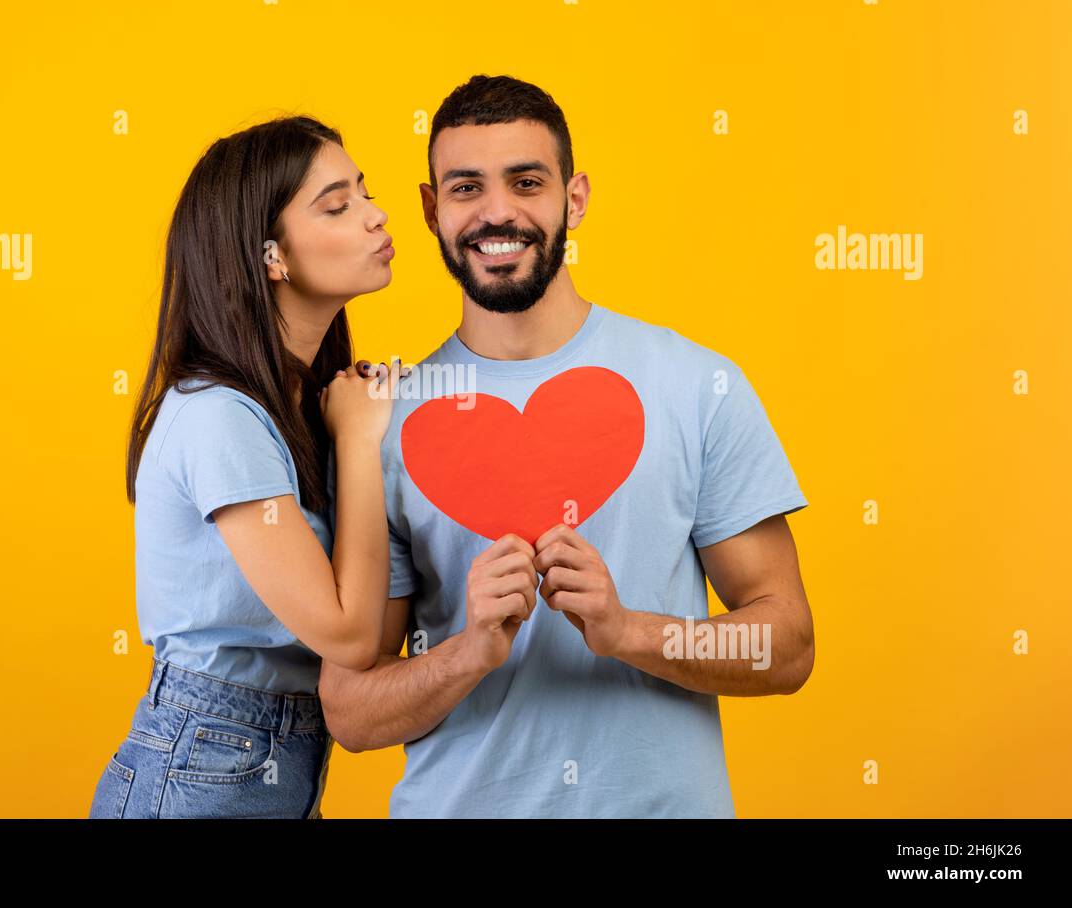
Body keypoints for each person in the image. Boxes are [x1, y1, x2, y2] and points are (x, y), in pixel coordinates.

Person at [319, 75, 815, 817]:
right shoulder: (377, 422)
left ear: (574, 198)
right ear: (431, 209)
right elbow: (350, 712)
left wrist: (626, 631)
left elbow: (786, 648)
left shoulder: (697, 384)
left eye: (527, 182)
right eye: (465, 188)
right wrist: (468, 651)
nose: (497, 213)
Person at [89, 115, 402, 819]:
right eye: (338, 204)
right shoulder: (219, 414)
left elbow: (373, 632)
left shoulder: (301, 407)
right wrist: (358, 442)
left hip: (268, 763)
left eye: (365, 191)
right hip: (205, 763)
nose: (376, 215)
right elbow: (349, 635)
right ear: (272, 258)